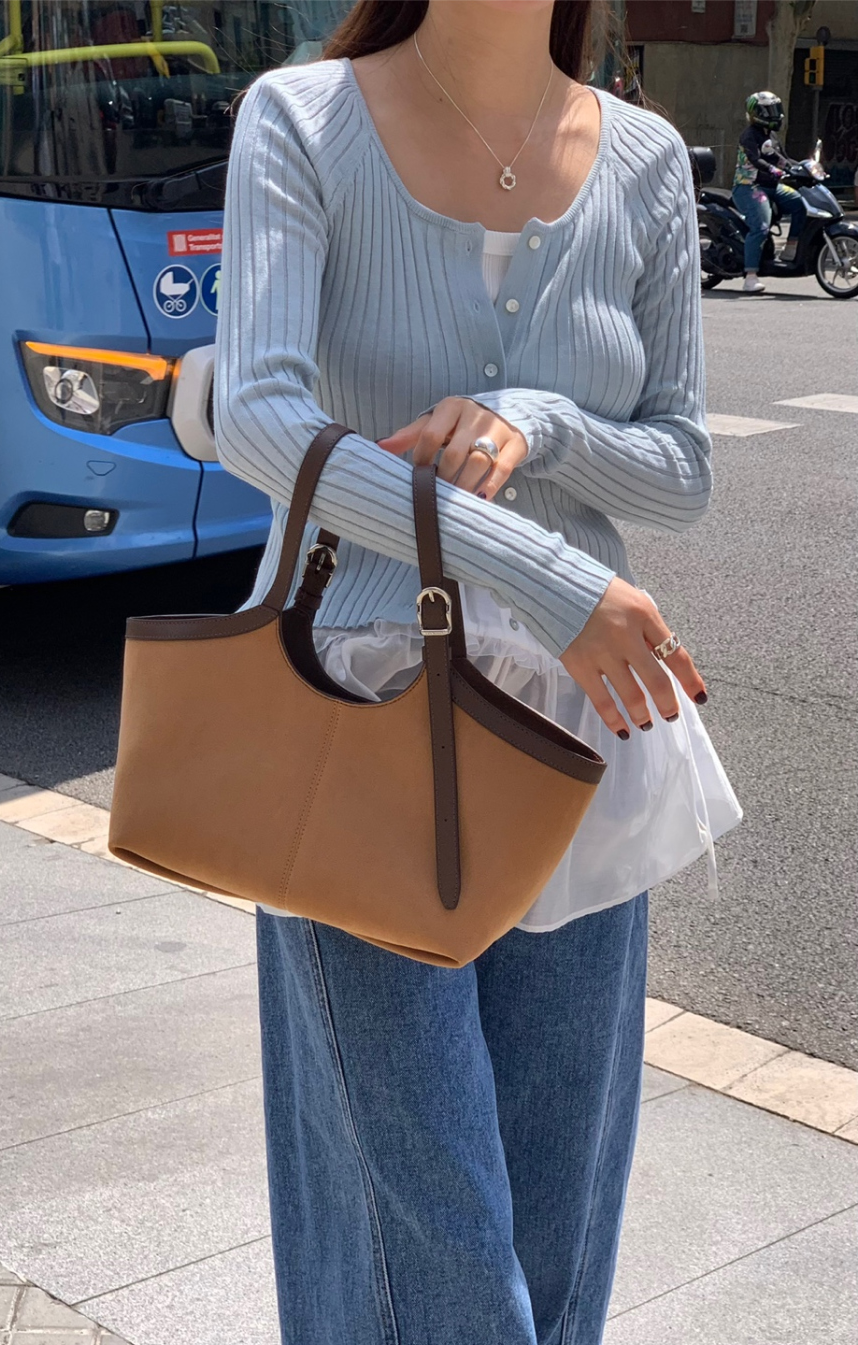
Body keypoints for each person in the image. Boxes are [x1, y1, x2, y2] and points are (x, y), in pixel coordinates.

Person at [213, 2, 741, 1340]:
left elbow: (682, 466)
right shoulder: (303, 120)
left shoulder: (644, 161)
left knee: (557, 1233)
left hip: (581, 742)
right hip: (355, 719)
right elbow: (262, 418)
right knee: (428, 1248)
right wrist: (548, 577)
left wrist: (542, 422)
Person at [731, 89, 807, 294]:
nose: (776, 114)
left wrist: (803, 167)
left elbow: (782, 159)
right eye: (769, 111)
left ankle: (790, 248)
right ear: (757, 114)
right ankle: (750, 276)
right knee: (761, 226)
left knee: (799, 204)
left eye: (776, 109)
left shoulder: (770, 135)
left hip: (772, 186)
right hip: (749, 186)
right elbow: (756, 160)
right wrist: (774, 170)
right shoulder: (749, 136)